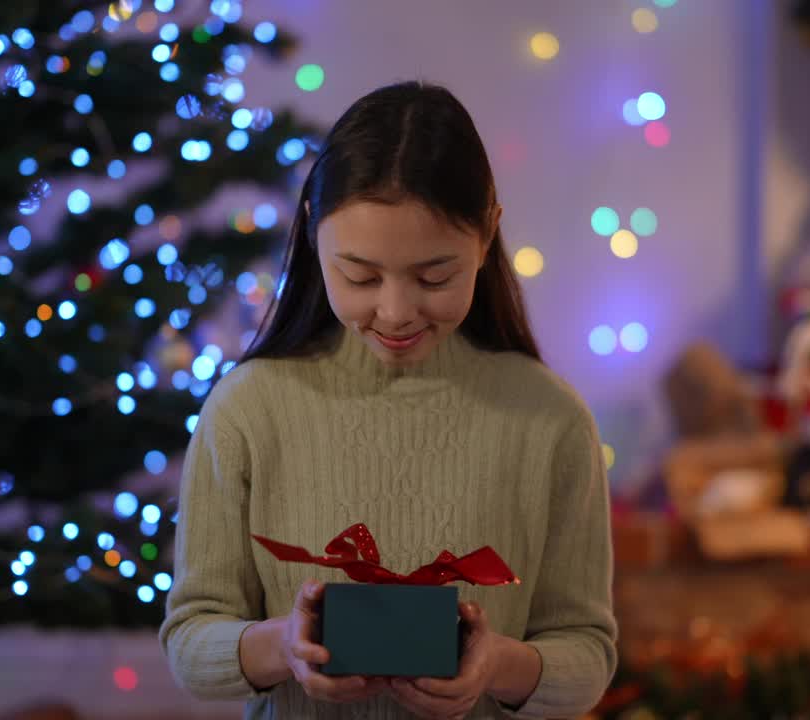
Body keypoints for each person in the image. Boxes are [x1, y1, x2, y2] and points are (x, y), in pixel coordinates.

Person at [160, 80, 617, 720]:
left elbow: (587, 653)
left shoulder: (549, 419)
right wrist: (282, 647)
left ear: (488, 237)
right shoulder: (248, 410)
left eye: (435, 277)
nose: (396, 313)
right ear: (314, 236)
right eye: (360, 275)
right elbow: (189, 641)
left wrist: (499, 665)